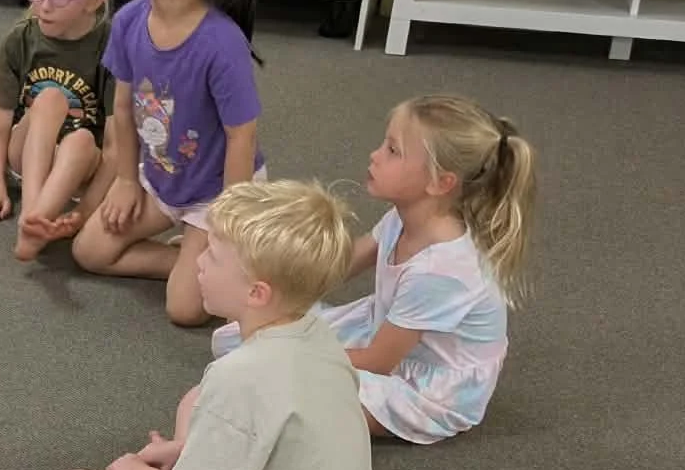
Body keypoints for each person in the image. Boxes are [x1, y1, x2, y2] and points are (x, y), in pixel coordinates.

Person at [53, 181, 373, 470]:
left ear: (257, 293)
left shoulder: (241, 375)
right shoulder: (316, 336)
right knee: (196, 397)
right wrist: (185, 450)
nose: (197, 262)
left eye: (212, 255)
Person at [216, 94, 538, 442]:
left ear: (439, 182)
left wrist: (281, 351)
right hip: (384, 331)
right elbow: (339, 266)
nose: (375, 155)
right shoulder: (405, 219)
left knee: (277, 383)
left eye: (392, 151)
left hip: (425, 388)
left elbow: (377, 361)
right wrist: (276, 282)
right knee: (236, 338)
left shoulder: (441, 271)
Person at [71, 0, 267, 324]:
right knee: (89, 251)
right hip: (160, 178)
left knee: (185, 310)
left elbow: (243, 138)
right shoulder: (128, 21)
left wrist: (226, 222)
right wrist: (125, 180)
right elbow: (122, 108)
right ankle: (184, 263)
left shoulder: (221, 44)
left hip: (215, 194)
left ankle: (214, 260)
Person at [0, 0, 115, 261]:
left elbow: (116, 145)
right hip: (28, 154)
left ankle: (36, 221)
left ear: (94, 0)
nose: (43, 6)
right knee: (50, 98)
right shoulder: (21, 39)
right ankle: (32, 215)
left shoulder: (113, 47)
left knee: (79, 140)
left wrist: (87, 210)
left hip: (80, 166)